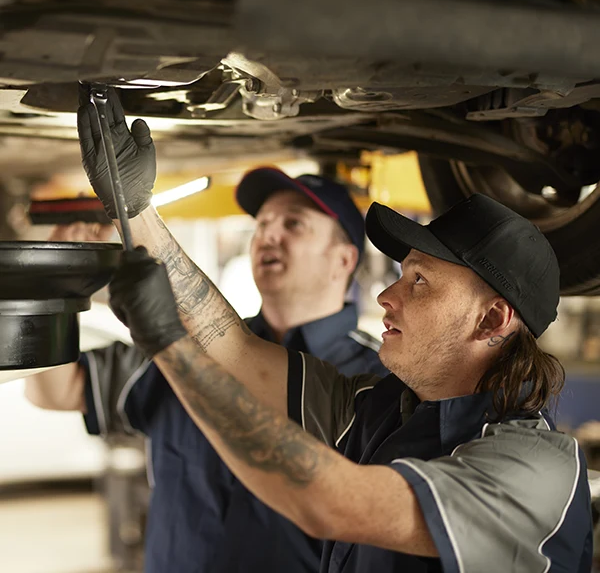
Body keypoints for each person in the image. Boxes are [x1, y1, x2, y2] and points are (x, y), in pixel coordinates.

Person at [69, 91, 593, 572]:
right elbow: (234, 349)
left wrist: (170, 346)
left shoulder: (533, 469)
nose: (387, 297)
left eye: (420, 282)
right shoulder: (380, 411)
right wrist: (136, 211)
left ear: (492, 319)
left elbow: (327, 501)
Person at [25, 91, 387, 573]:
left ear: (344, 259)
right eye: (262, 224)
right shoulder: (183, 340)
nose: (268, 235)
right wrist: (53, 287)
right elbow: (52, 390)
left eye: (293, 224)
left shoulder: (372, 383)